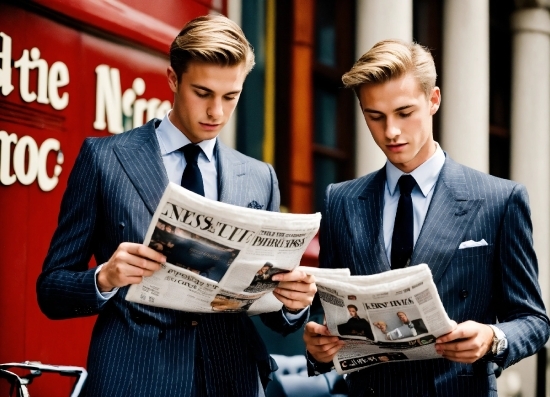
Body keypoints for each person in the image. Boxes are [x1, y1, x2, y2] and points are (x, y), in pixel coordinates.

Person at [37, 14, 316, 397]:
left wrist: (294, 305)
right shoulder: (103, 159)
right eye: (202, 93)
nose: (216, 111)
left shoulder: (259, 177)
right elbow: (51, 290)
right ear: (173, 79)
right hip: (133, 379)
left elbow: (274, 317)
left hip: (231, 379)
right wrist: (104, 277)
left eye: (230, 96)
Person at [303, 39, 549, 396]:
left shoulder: (500, 199)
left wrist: (492, 337)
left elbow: (534, 320)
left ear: (433, 100)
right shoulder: (341, 200)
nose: (391, 132)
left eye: (404, 113)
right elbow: (322, 311)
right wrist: (318, 346)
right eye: (375, 116)